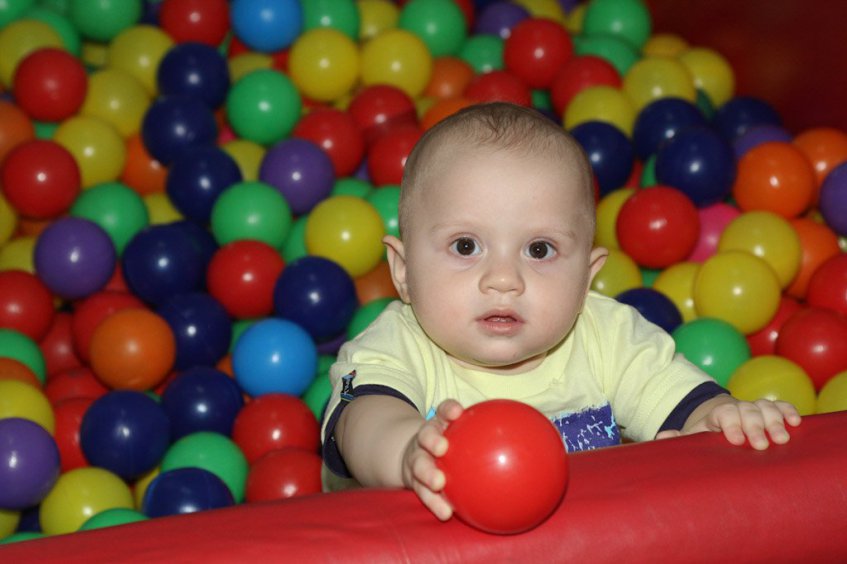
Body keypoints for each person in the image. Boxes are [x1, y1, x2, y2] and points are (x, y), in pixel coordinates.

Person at [320, 102, 801, 521]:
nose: (504, 279)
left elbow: (681, 401)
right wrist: (409, 451)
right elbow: (364, 420)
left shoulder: (606, 333)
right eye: (466, 245)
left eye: (540, 249)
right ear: (402, 271)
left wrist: (722, 419)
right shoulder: (395, 345)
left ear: (587, 278)